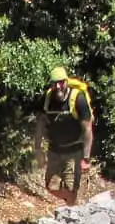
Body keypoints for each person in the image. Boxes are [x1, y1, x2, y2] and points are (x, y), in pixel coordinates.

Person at [35, 65, 95, 204]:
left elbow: (87, 128)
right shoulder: (47, 99)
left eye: (61, 82)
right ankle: (72, 207)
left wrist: (86, 157)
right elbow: (40, 124)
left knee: (71, 187)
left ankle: (71, 215)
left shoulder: (78, 99)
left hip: (74, 152)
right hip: (54, 150)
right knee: (51, 186)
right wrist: (38, 149)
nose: (58, 86)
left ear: (67, 81)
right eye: (55, 83)